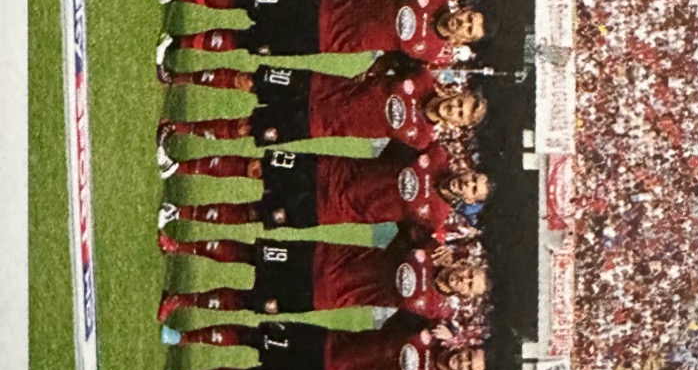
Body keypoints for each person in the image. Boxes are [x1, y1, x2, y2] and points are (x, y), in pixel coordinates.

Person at [156, 140, 492, 234]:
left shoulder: (434, 218)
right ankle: (179, 167)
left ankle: (180, 214)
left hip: (329, 211)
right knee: (256, 168)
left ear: (468, 199)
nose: (468, 182)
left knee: (254, 214)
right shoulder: (435, 154)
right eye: (473, 177)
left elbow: (407, 245)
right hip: (328, 169)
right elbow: (397, 145)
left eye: (473, 189)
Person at [155, 61, 487, 149]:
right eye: (459, 103)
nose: (454, 109)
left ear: (457, 125)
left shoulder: (420, 140)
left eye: (460, 114)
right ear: (455, 93)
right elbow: (393, 53)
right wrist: (372, 72)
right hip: (318, 85)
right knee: (248, 80)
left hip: (318, 125)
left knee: (246, 128)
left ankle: (178, 129)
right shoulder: (422, 77)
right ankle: (178, 77)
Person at [158, 311, 486, 370]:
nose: (462, 361)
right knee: (255, 338)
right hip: (327, 342)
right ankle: (182, 337)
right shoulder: (426, 331)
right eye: (467, 355)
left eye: (467, 366)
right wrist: (434, 324)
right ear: (463, 345)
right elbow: (402, 312)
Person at [156, 233, 487, 319]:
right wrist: (431, 241)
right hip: (324, 256)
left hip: (326, 296)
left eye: (469, 286)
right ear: (464, 264)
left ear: (465, 296)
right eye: (468, 274)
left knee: (250, 299)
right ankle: (182, 246)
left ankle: (182, 301)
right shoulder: (429, 248)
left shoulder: (432, 310)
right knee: (251, 254)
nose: (463, 280)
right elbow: (405, 216)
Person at [154, 0, 484, 63]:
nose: (463, 23)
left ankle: (182, 45)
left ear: (463, 40)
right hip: (327, 1)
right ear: (464, 9)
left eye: (468, 30)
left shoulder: (429, 54)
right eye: (469, 18)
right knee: (250, 0)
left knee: (250, 40)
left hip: (327, 41)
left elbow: (392, 65)